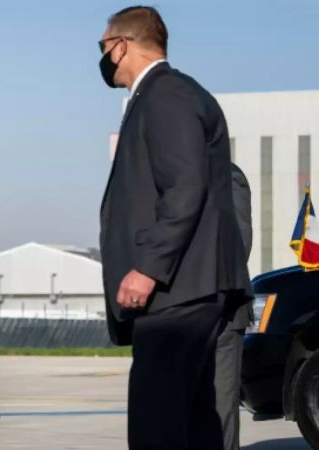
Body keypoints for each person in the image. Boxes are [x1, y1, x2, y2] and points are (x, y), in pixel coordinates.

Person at [97, 6, 252, 449]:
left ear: (121, 45)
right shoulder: (173, 95)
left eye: (104, 46)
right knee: (193, 423)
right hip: (187, 288)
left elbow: (185, 187)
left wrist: (148, 267)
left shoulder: (166, 95)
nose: (104, 57)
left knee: (156, 425)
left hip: (177, 292)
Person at [215, 163, 253, 450]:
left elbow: (239, 241)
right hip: (182, 314)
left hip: (223, 310)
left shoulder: (228, 175)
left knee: (220, 408)